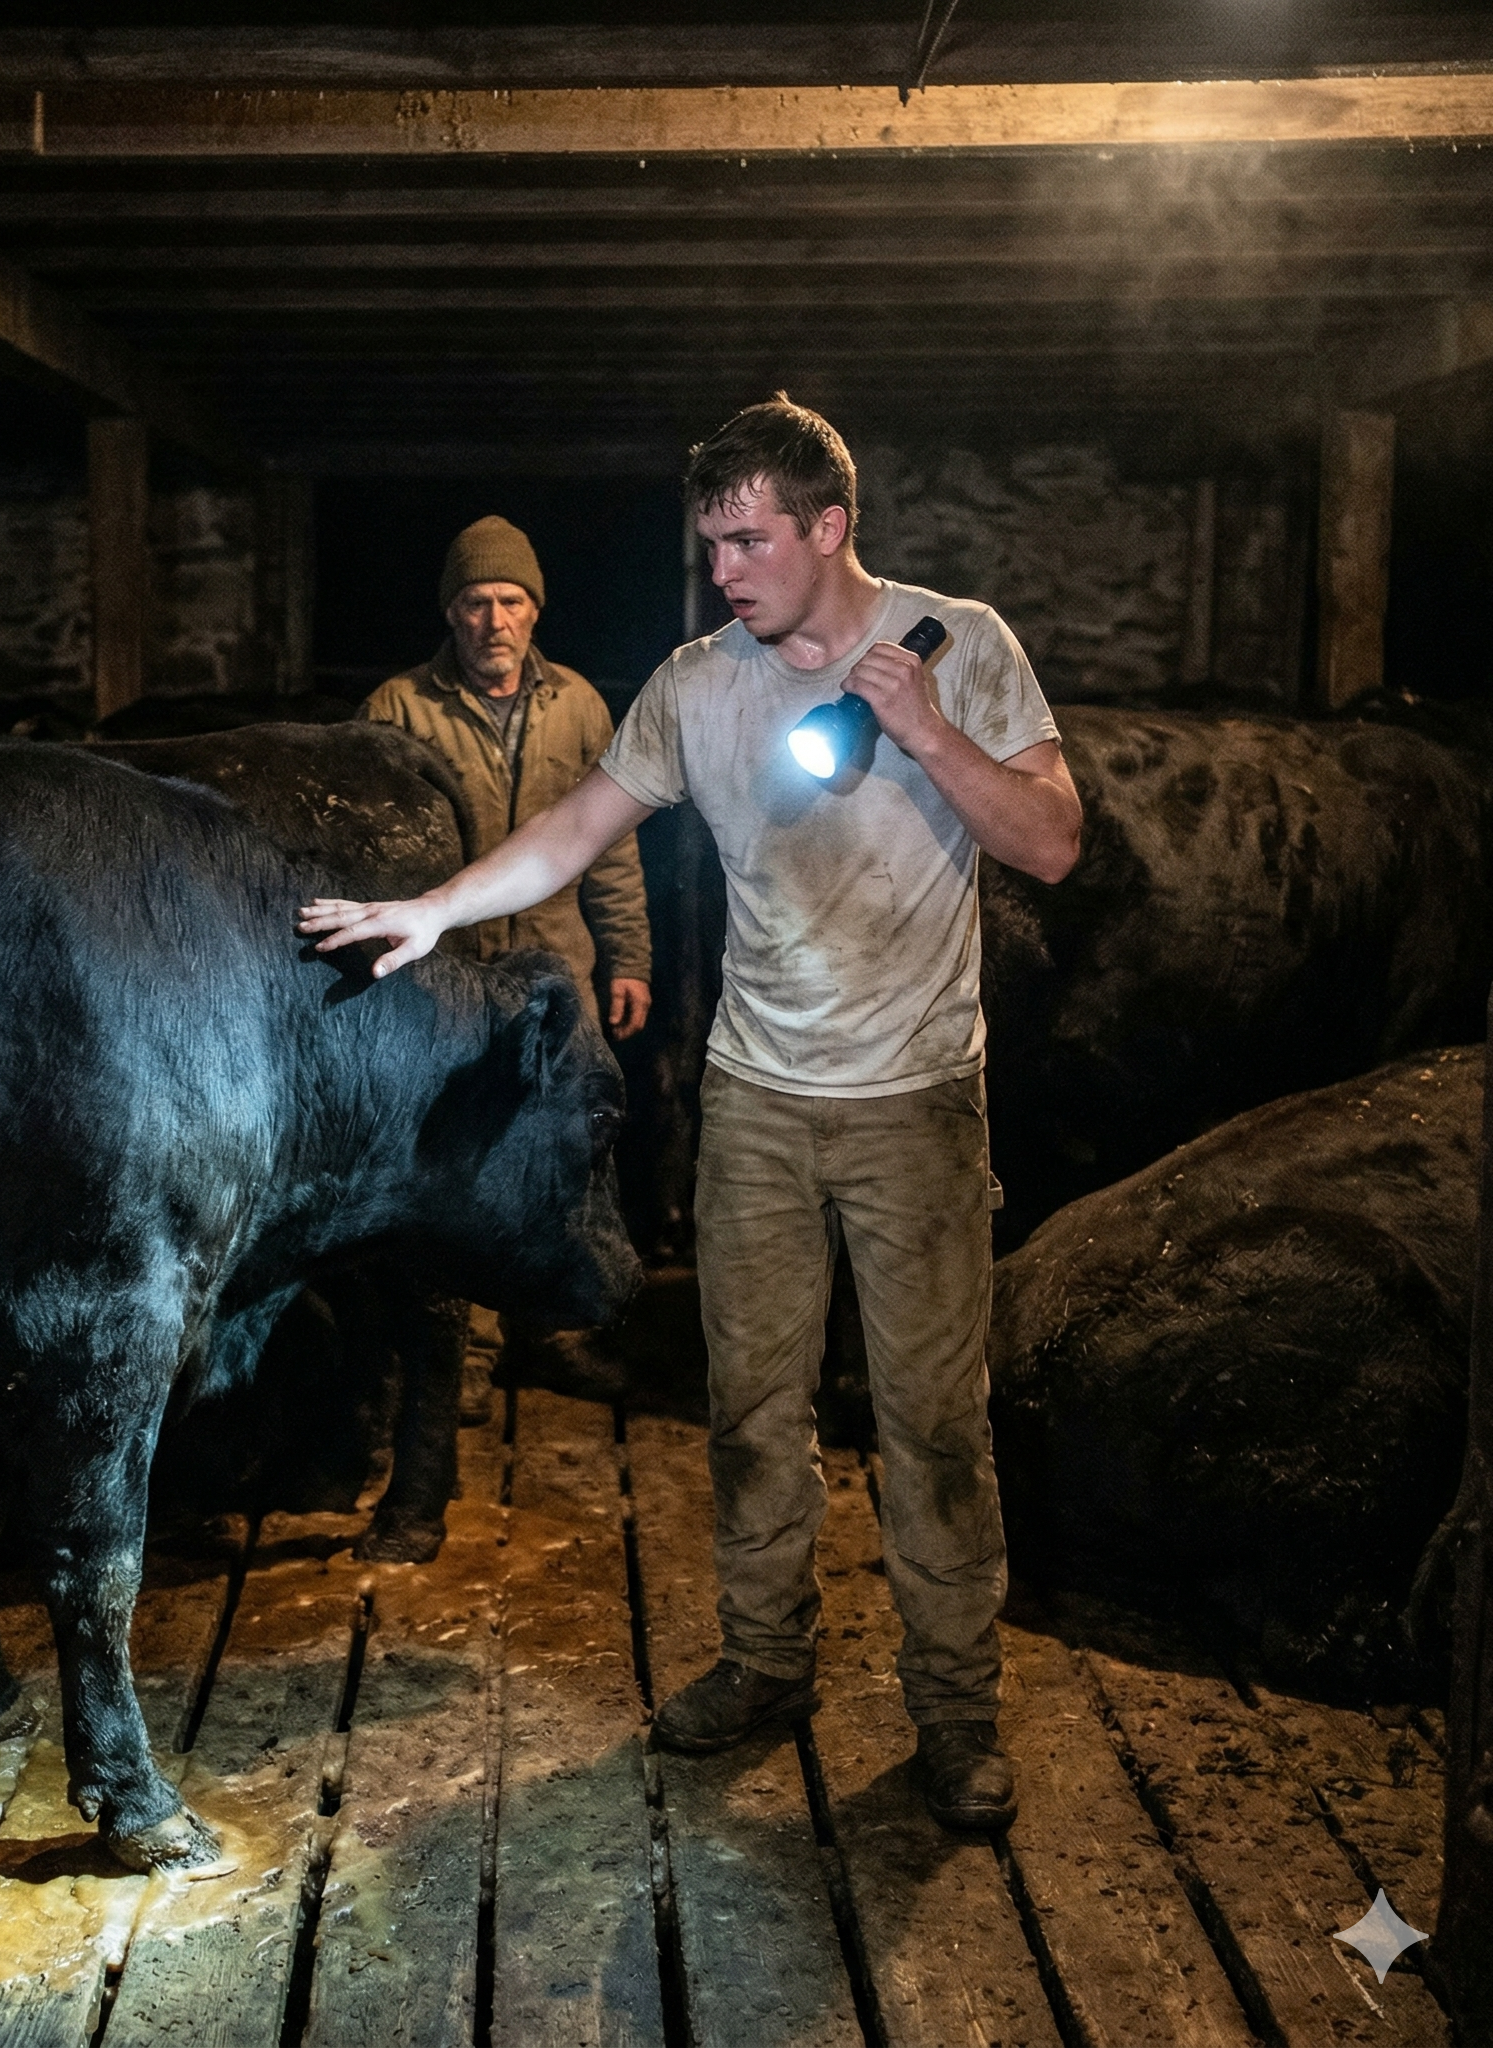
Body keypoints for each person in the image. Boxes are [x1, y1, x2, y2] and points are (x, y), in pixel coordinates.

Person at [301, 398, 1081, 1834]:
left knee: (930, 1425)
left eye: (747, 541)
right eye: (708, 543)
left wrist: (924, 732)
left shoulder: (958, 645)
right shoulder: (695, 682)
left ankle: (955, 1715)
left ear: (828, 526)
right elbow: (580, 826)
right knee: (750, 1411)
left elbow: (1051, 839)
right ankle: (768, 1661)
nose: (720, 570)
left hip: (914, 1103)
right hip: (758, 1103)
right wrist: (433, 908)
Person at [363, 514, 653, 1418]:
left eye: (511, 601)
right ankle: (468, 1353)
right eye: (476, 602)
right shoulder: (396, 710)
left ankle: (552, 1332)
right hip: (447, 980)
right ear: (450, 613)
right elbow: (369, 852)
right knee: (456, 1158)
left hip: (558, 971)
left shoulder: (580, 705)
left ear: (535, 610)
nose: (494, 620)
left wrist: (629, 958)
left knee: (562, 1150)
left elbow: (611, 847)